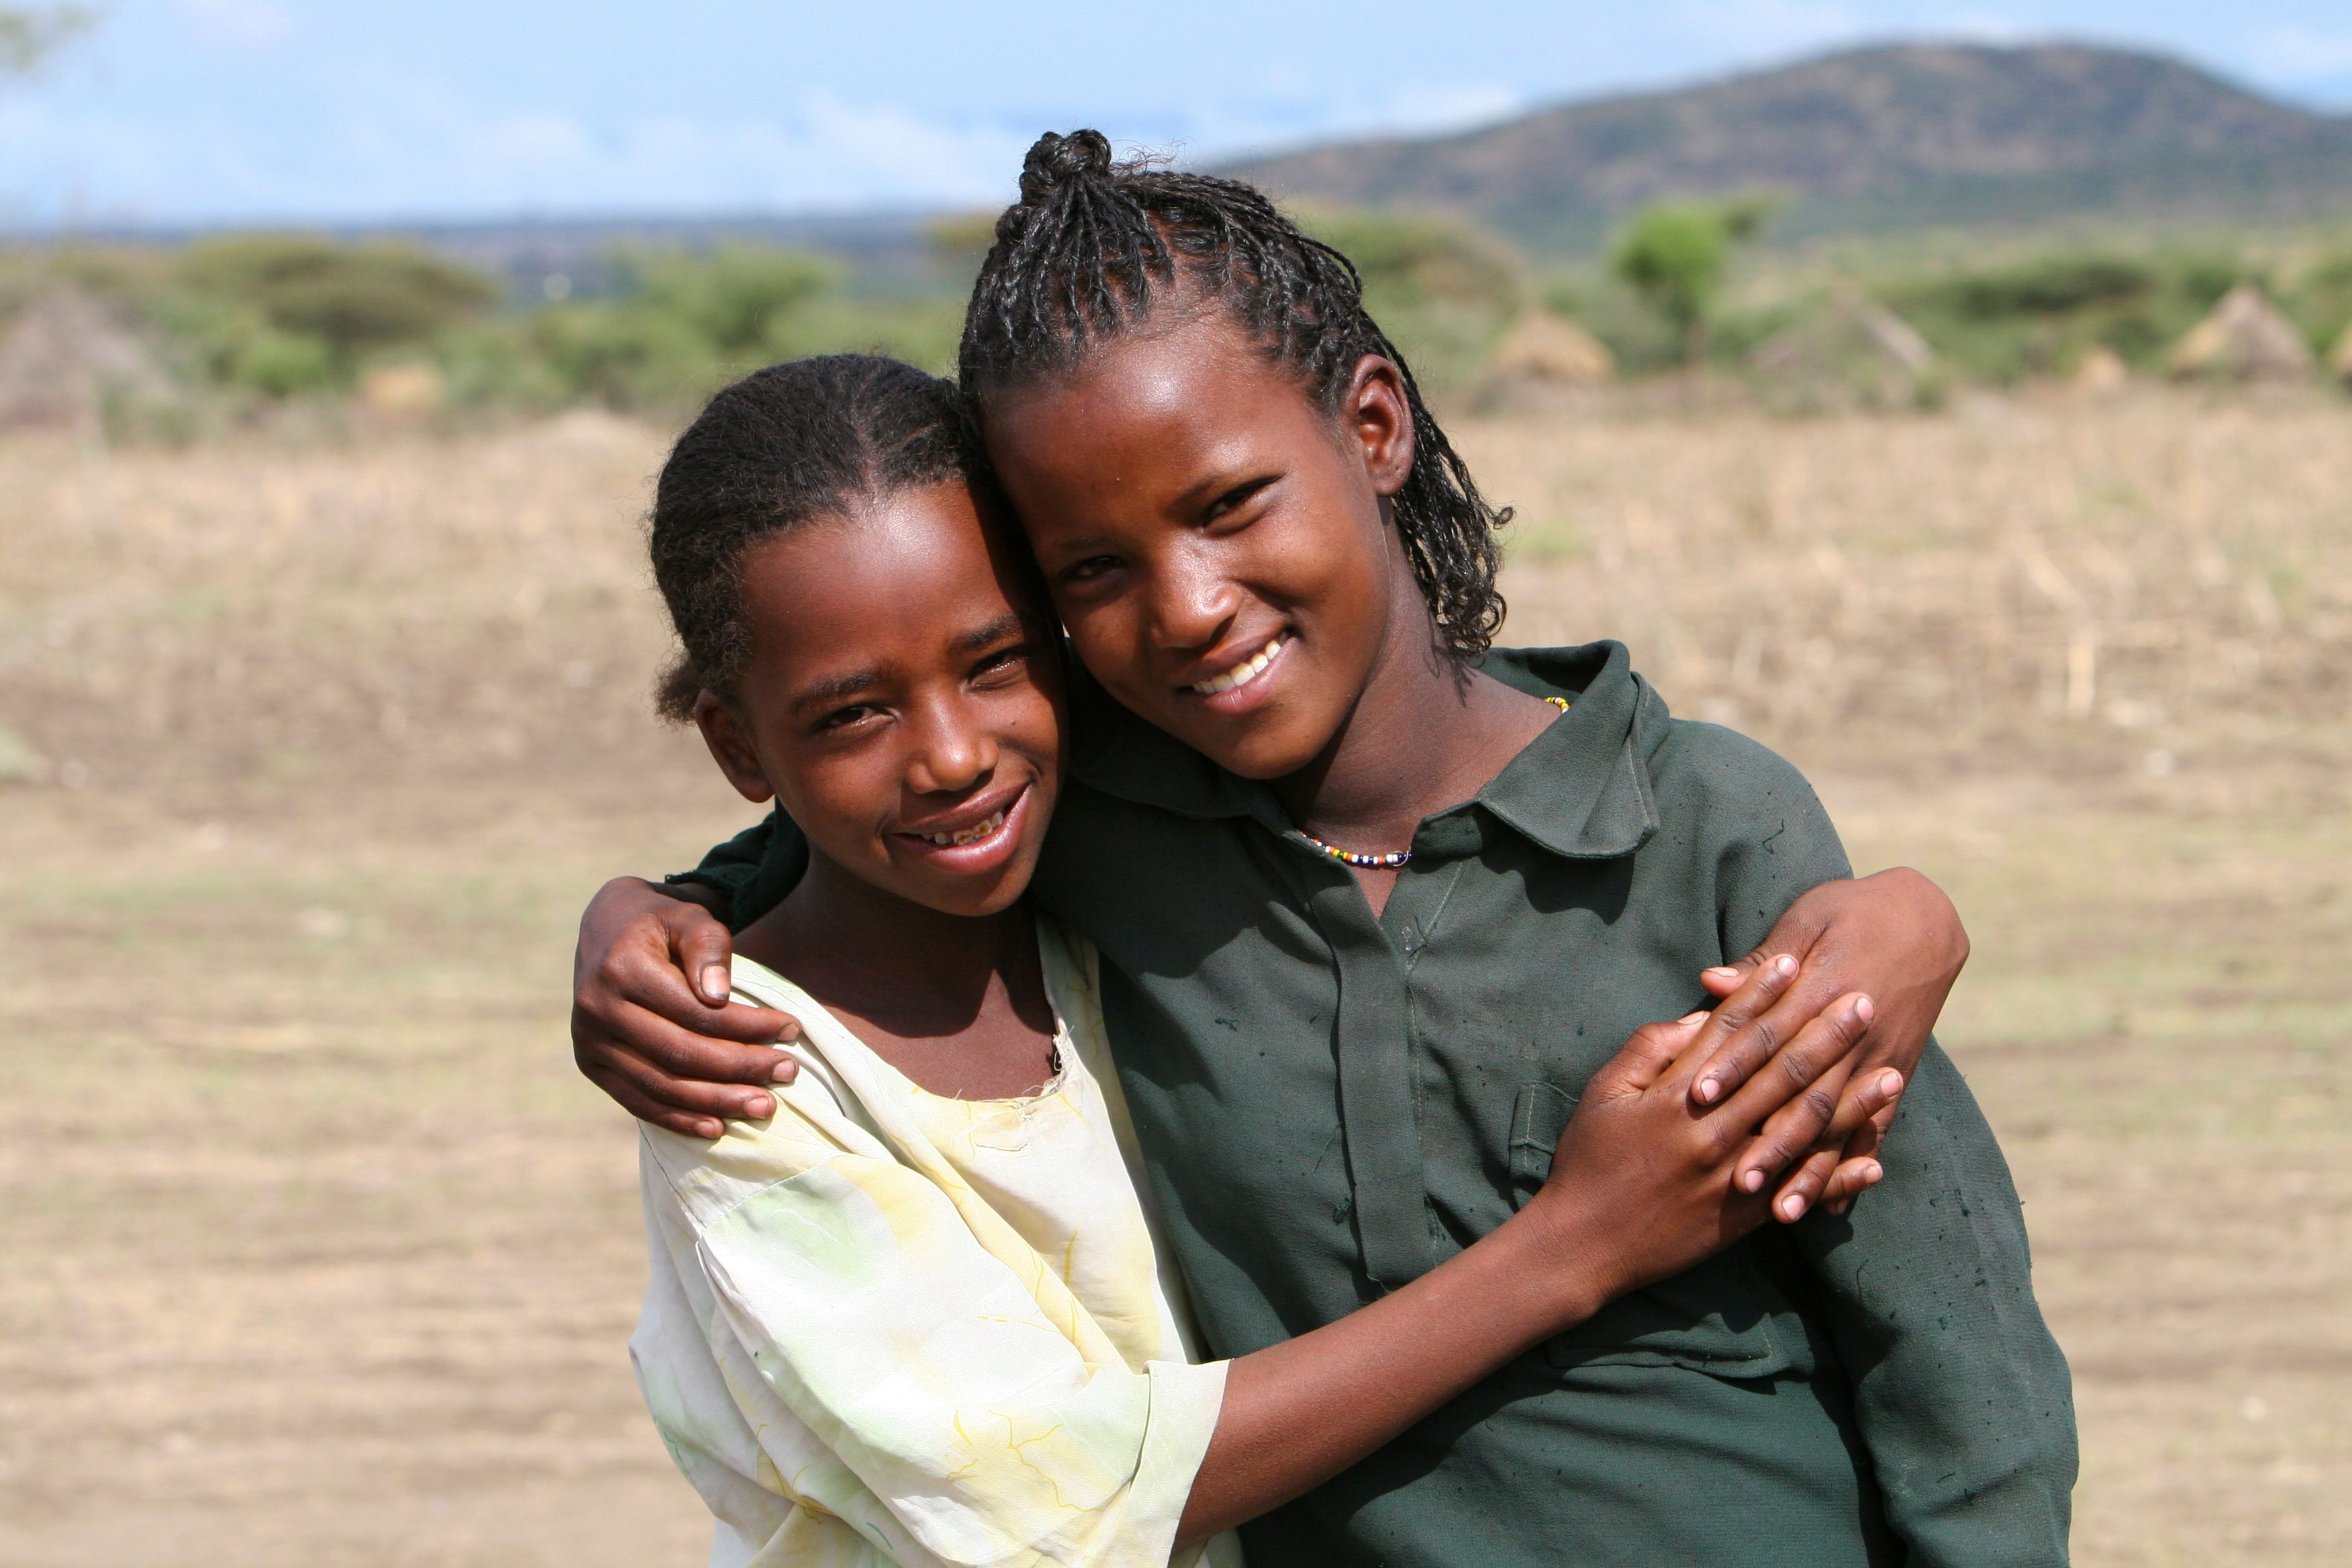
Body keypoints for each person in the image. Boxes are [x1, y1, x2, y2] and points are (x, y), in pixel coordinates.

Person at [581, 134, 2075, 1567]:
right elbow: (881, 824)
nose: (1185, 607)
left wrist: (1912, 909)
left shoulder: (1703, 827)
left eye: (1231, 507)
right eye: (1091, 570)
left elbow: (1953, 1346)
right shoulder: (1118, 822)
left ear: (1373, 425)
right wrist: (657, 911)